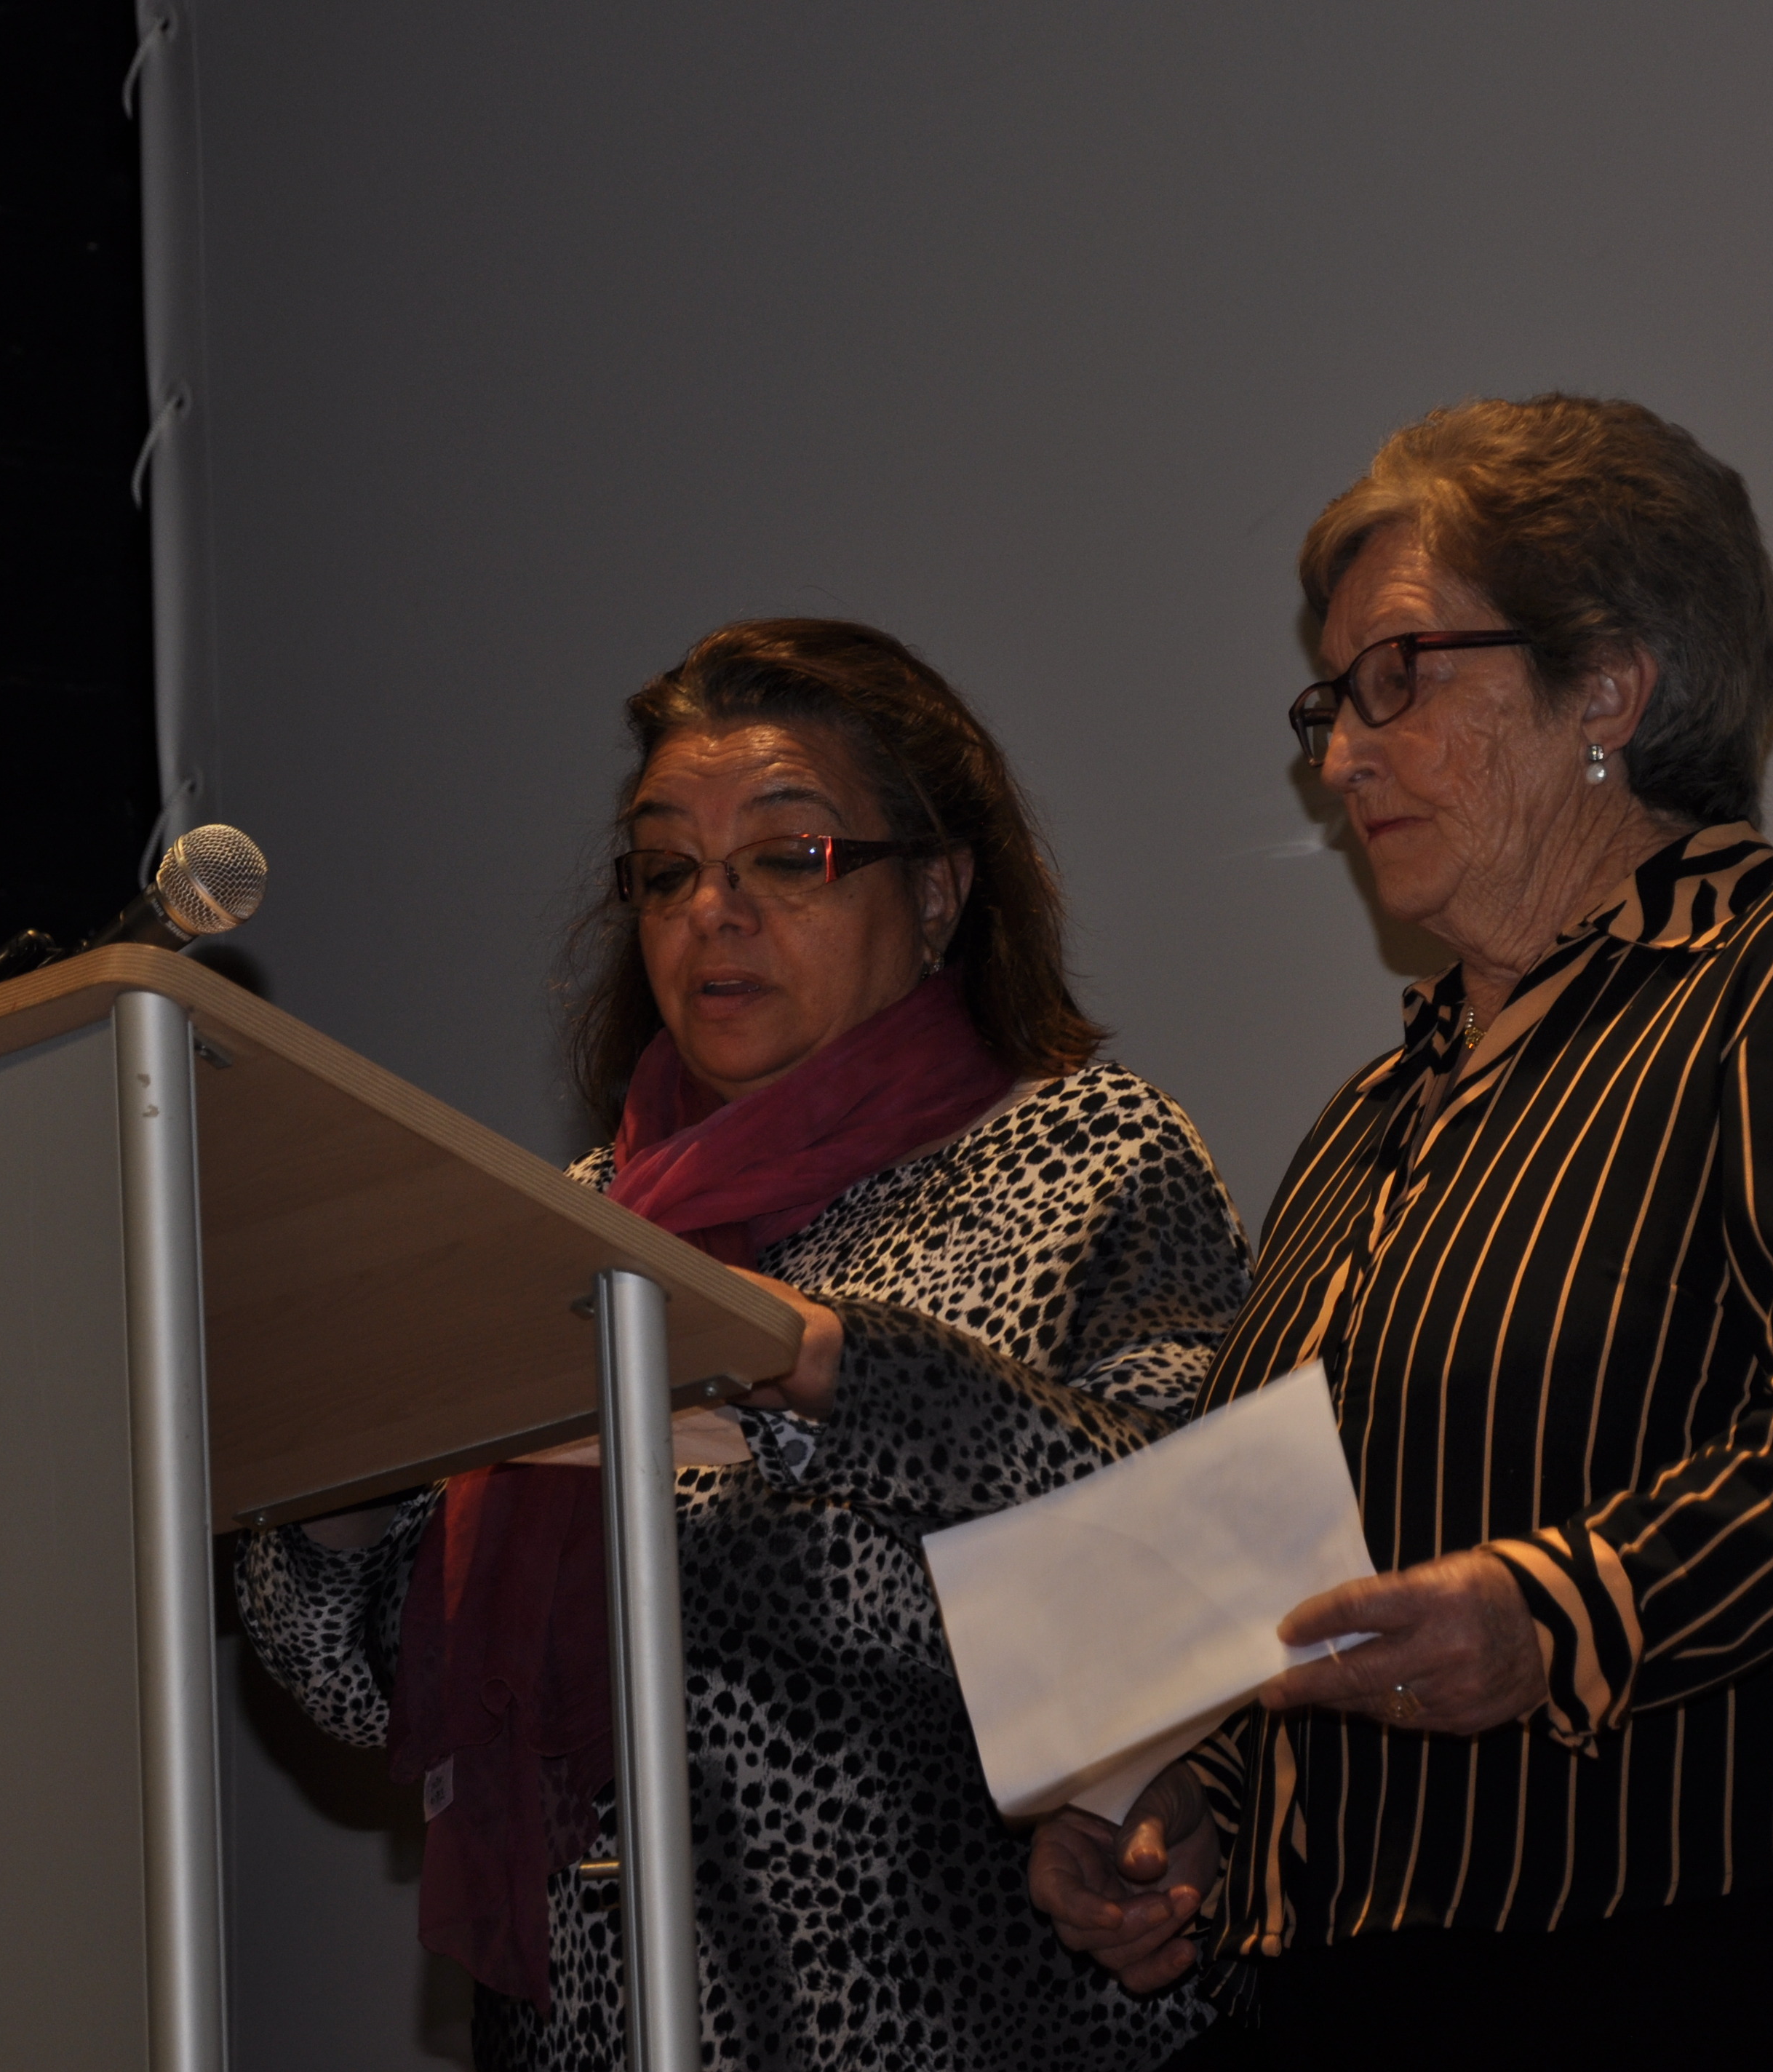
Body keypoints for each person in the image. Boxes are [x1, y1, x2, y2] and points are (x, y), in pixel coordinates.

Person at [1030, 397, 1773, 2069]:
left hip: (1724, 1930)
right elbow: (1290, 1559)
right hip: (1361, 1972)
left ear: (1607, 687)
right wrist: (1185, 1793)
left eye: (1397, 676)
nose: (1338, 758)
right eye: (1329, 701)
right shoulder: (1368, 1118)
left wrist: (1563, 1606)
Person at [239, 618, 1247, 2071]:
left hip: (959, 2027)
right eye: (666, 869)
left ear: (941, 890)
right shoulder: (576, 1227)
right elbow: (366, 1685)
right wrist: (337, 1472)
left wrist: (823, 1367)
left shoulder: (1087, 1151)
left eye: (787, 856)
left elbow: (1189, 1545)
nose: (711, 910)